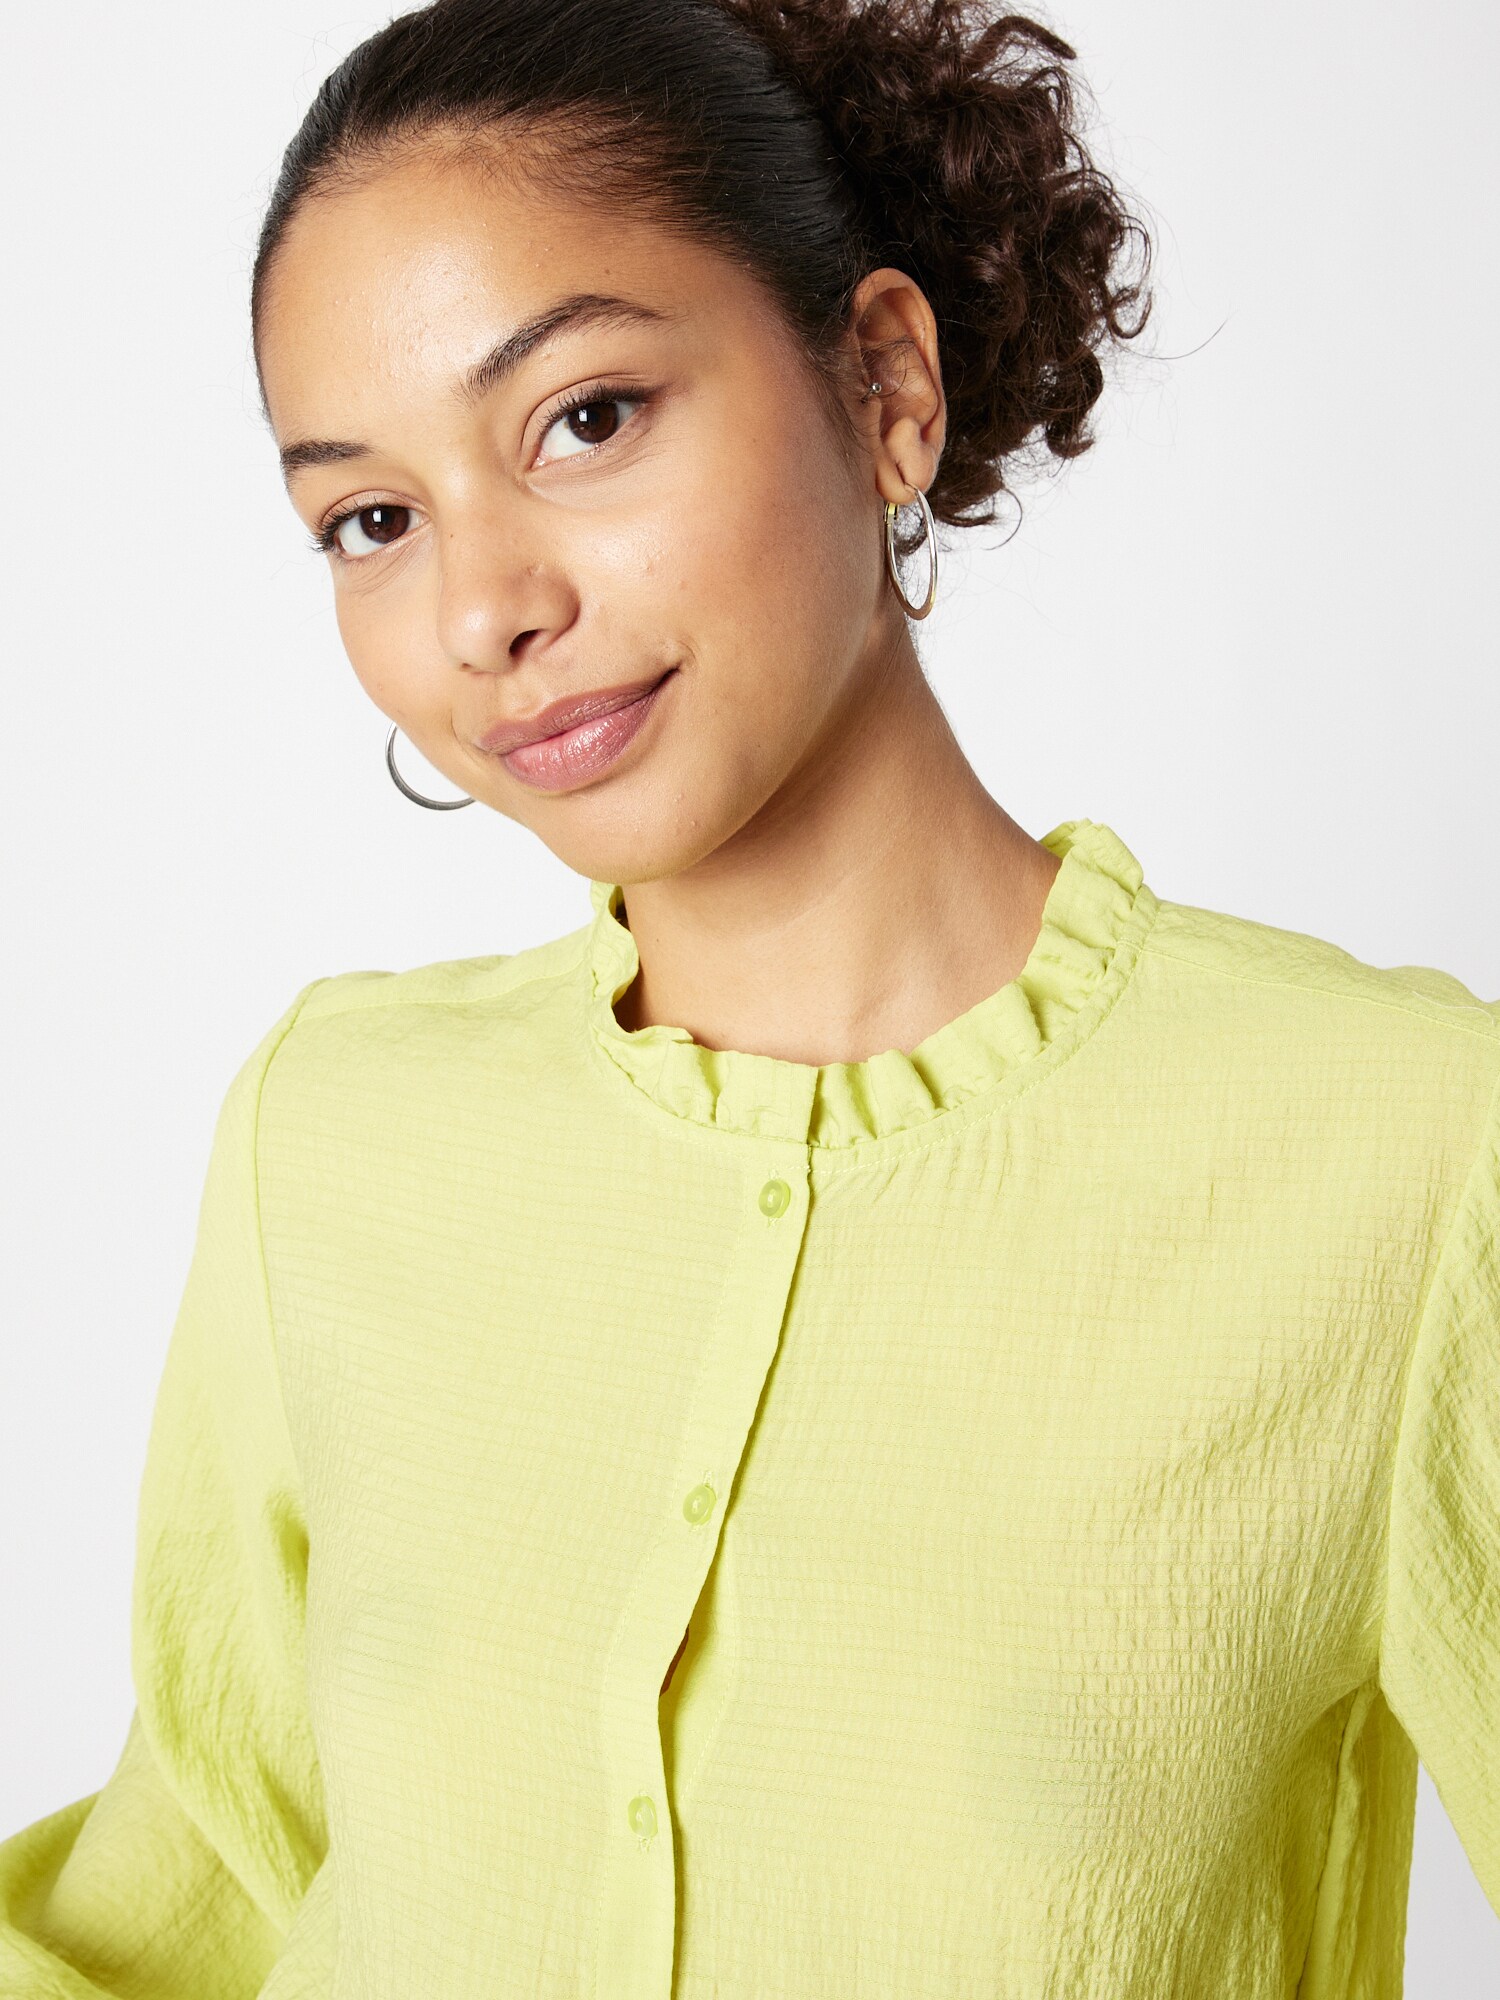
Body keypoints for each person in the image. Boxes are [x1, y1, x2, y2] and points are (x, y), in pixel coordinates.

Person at [2, 0, 1495, 1992]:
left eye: (585, 419)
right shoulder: (332, 1135)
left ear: (884, 385)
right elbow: (187, 1887)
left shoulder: (1408, 1155)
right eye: (373, 519)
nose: (483, 610)